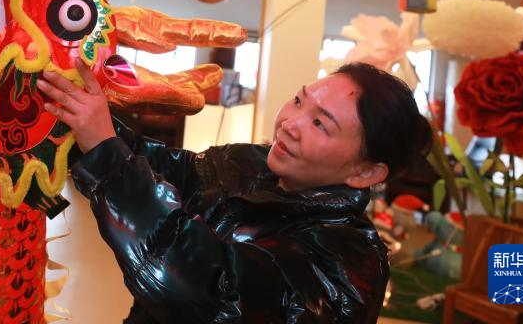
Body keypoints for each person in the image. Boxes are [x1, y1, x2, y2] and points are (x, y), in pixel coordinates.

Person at [37, 61, 434, 324]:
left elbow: (214, 290)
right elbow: (160, 166)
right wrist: (68, 113)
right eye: (299, 100)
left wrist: (106, 153)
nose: (290, 123)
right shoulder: (250, 165)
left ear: (366, 172)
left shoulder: (349, 260)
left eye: (320, 124)